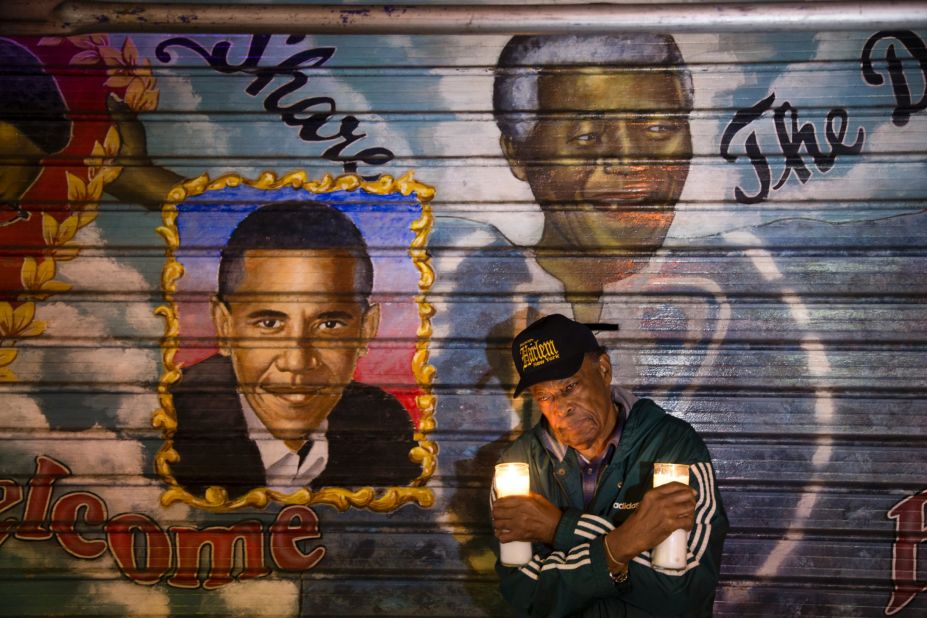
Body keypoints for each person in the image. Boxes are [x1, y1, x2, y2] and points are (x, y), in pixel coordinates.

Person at [169, 200, 421, 498]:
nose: (298, 361)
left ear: (366, 330)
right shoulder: (169, 424)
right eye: (269, 323)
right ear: (224, 326)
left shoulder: (383, 425)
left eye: (329, 325)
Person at [491, 314, 728, 617]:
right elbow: (524, 594)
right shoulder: (517, 467)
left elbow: (687, 589)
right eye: (544, 396)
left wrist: (559, 528)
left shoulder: (674, 447)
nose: (561, 407)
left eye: (569, 387)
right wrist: (628, 542)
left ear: (603, 370)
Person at [493, 33, 694, 324]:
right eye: (587, 136)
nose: (629, 161)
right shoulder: (463, 293)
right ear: (517, 154)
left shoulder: (736, 285)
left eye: (658, 129)